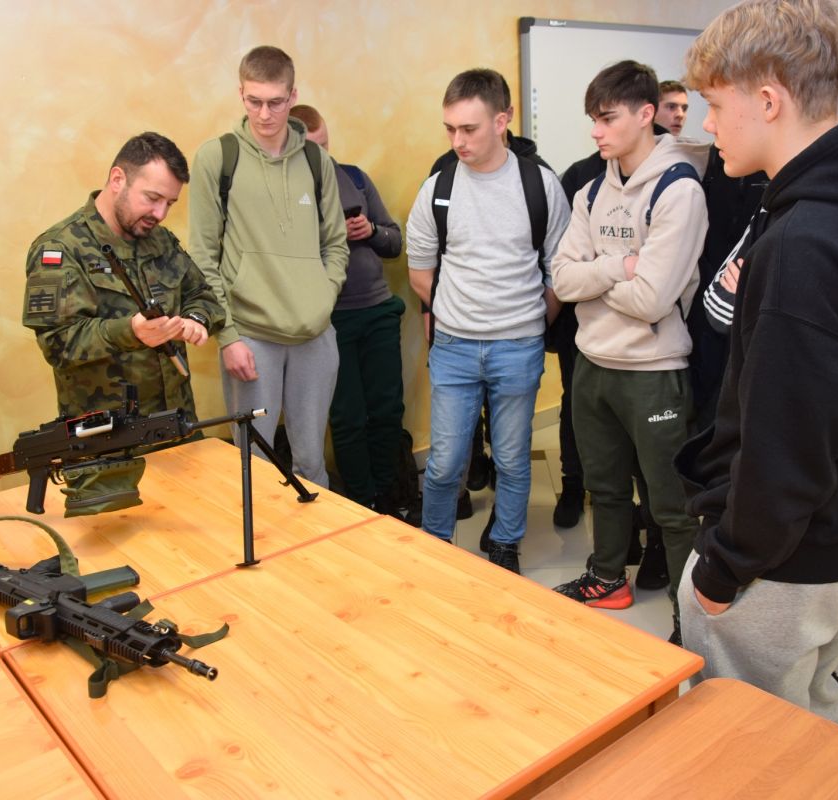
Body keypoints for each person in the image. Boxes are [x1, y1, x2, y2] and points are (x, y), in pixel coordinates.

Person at [672, 0, 838, 724]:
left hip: (780, 560)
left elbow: (787, 444)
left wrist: (725, 570)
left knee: (747, 742)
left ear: (768, 101)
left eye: (714, 105)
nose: (707, 124)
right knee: (815, 719)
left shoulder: (805, 241)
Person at [550, 60, 708, 617]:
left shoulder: (678, 189)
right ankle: (607, 578)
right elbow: (561, 280)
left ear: (645, 114)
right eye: (593, 119)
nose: (596, 131)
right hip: (593, 362)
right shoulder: (592, 191)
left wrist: (594, 278)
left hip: (653, 370)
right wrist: (620, 265)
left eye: (607, 118)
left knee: (671, 505)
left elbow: (652, 301)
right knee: (606, 487)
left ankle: (689, 618)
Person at [406, 68, 570, 572]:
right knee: (444, 464)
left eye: (469, 128)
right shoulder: (438, 187)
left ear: (503, 120)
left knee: (513, 459)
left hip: (518, 347)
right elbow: (420, 273)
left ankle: (504, 544)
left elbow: (559, 271)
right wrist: (459, 313)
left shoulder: (539, 185)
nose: (457, 141)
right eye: (449, 128)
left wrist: (525, 320)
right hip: (453, 347)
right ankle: (435, 543)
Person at [188, 46, 348, 487]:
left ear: (293, 96)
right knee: (254, 466)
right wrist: (228, 336)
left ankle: (314, 533)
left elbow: (336, 244)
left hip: (314, 336)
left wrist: (323, 296)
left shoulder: (316, 161)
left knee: (311, 462)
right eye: (254, 101)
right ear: (241, 93)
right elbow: (202, 256)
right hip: (251, 337)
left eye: (275, 102)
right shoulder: (217, 157)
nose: (264, 114)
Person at [23, 131, 223, 419]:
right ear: (117, 179)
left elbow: (203, 295)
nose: (160, 213)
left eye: (169, 203)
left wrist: (196, 319)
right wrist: (130, 331)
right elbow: (58, 343)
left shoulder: (161, 240)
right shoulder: (60, 248)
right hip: (109, 434)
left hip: (176, 421)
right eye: (153, 198)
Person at [288, 103, 407, 515]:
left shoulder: (354, 177)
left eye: (325, 146)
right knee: (347, 417)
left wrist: (370, 230)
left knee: (387, 410)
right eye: (312, 149)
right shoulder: (285, 192)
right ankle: (362, 502)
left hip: (378, 311)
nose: (322, 156)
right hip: (329, 320)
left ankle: (390, 494)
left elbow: (394, 243)